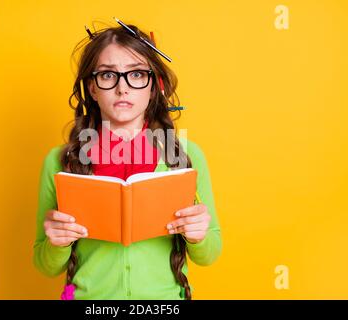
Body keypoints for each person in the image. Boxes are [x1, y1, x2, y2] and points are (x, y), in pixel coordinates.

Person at [33, 21, 222, 300]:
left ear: (153, 86)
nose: (123, 89)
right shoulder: (60, 160)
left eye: (136, 74)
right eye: (108, 75)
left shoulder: (186, 154)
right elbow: (45, 264)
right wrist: (56, 243)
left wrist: (198, 236)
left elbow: (210, 253)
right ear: (93, 88)